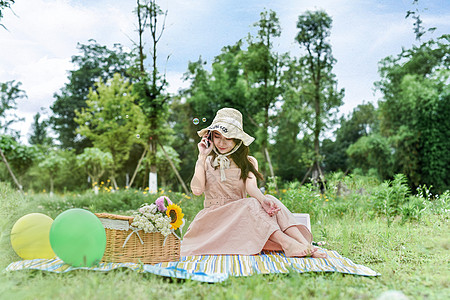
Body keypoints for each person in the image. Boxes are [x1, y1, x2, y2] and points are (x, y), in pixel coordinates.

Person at [181, 108, 326, 258]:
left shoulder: (249, 162)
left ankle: (305, 245)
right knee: (250, 204)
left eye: (228, 137)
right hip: (214, 220)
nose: (222, 142)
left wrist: (264, 201)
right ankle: (287, 244)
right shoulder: (205, 161)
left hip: (241, 219)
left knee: (269, 199)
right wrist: (201, 156)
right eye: (217, 136)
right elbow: (197, 190)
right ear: (210, 137)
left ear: (237, 139)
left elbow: (252, 188)